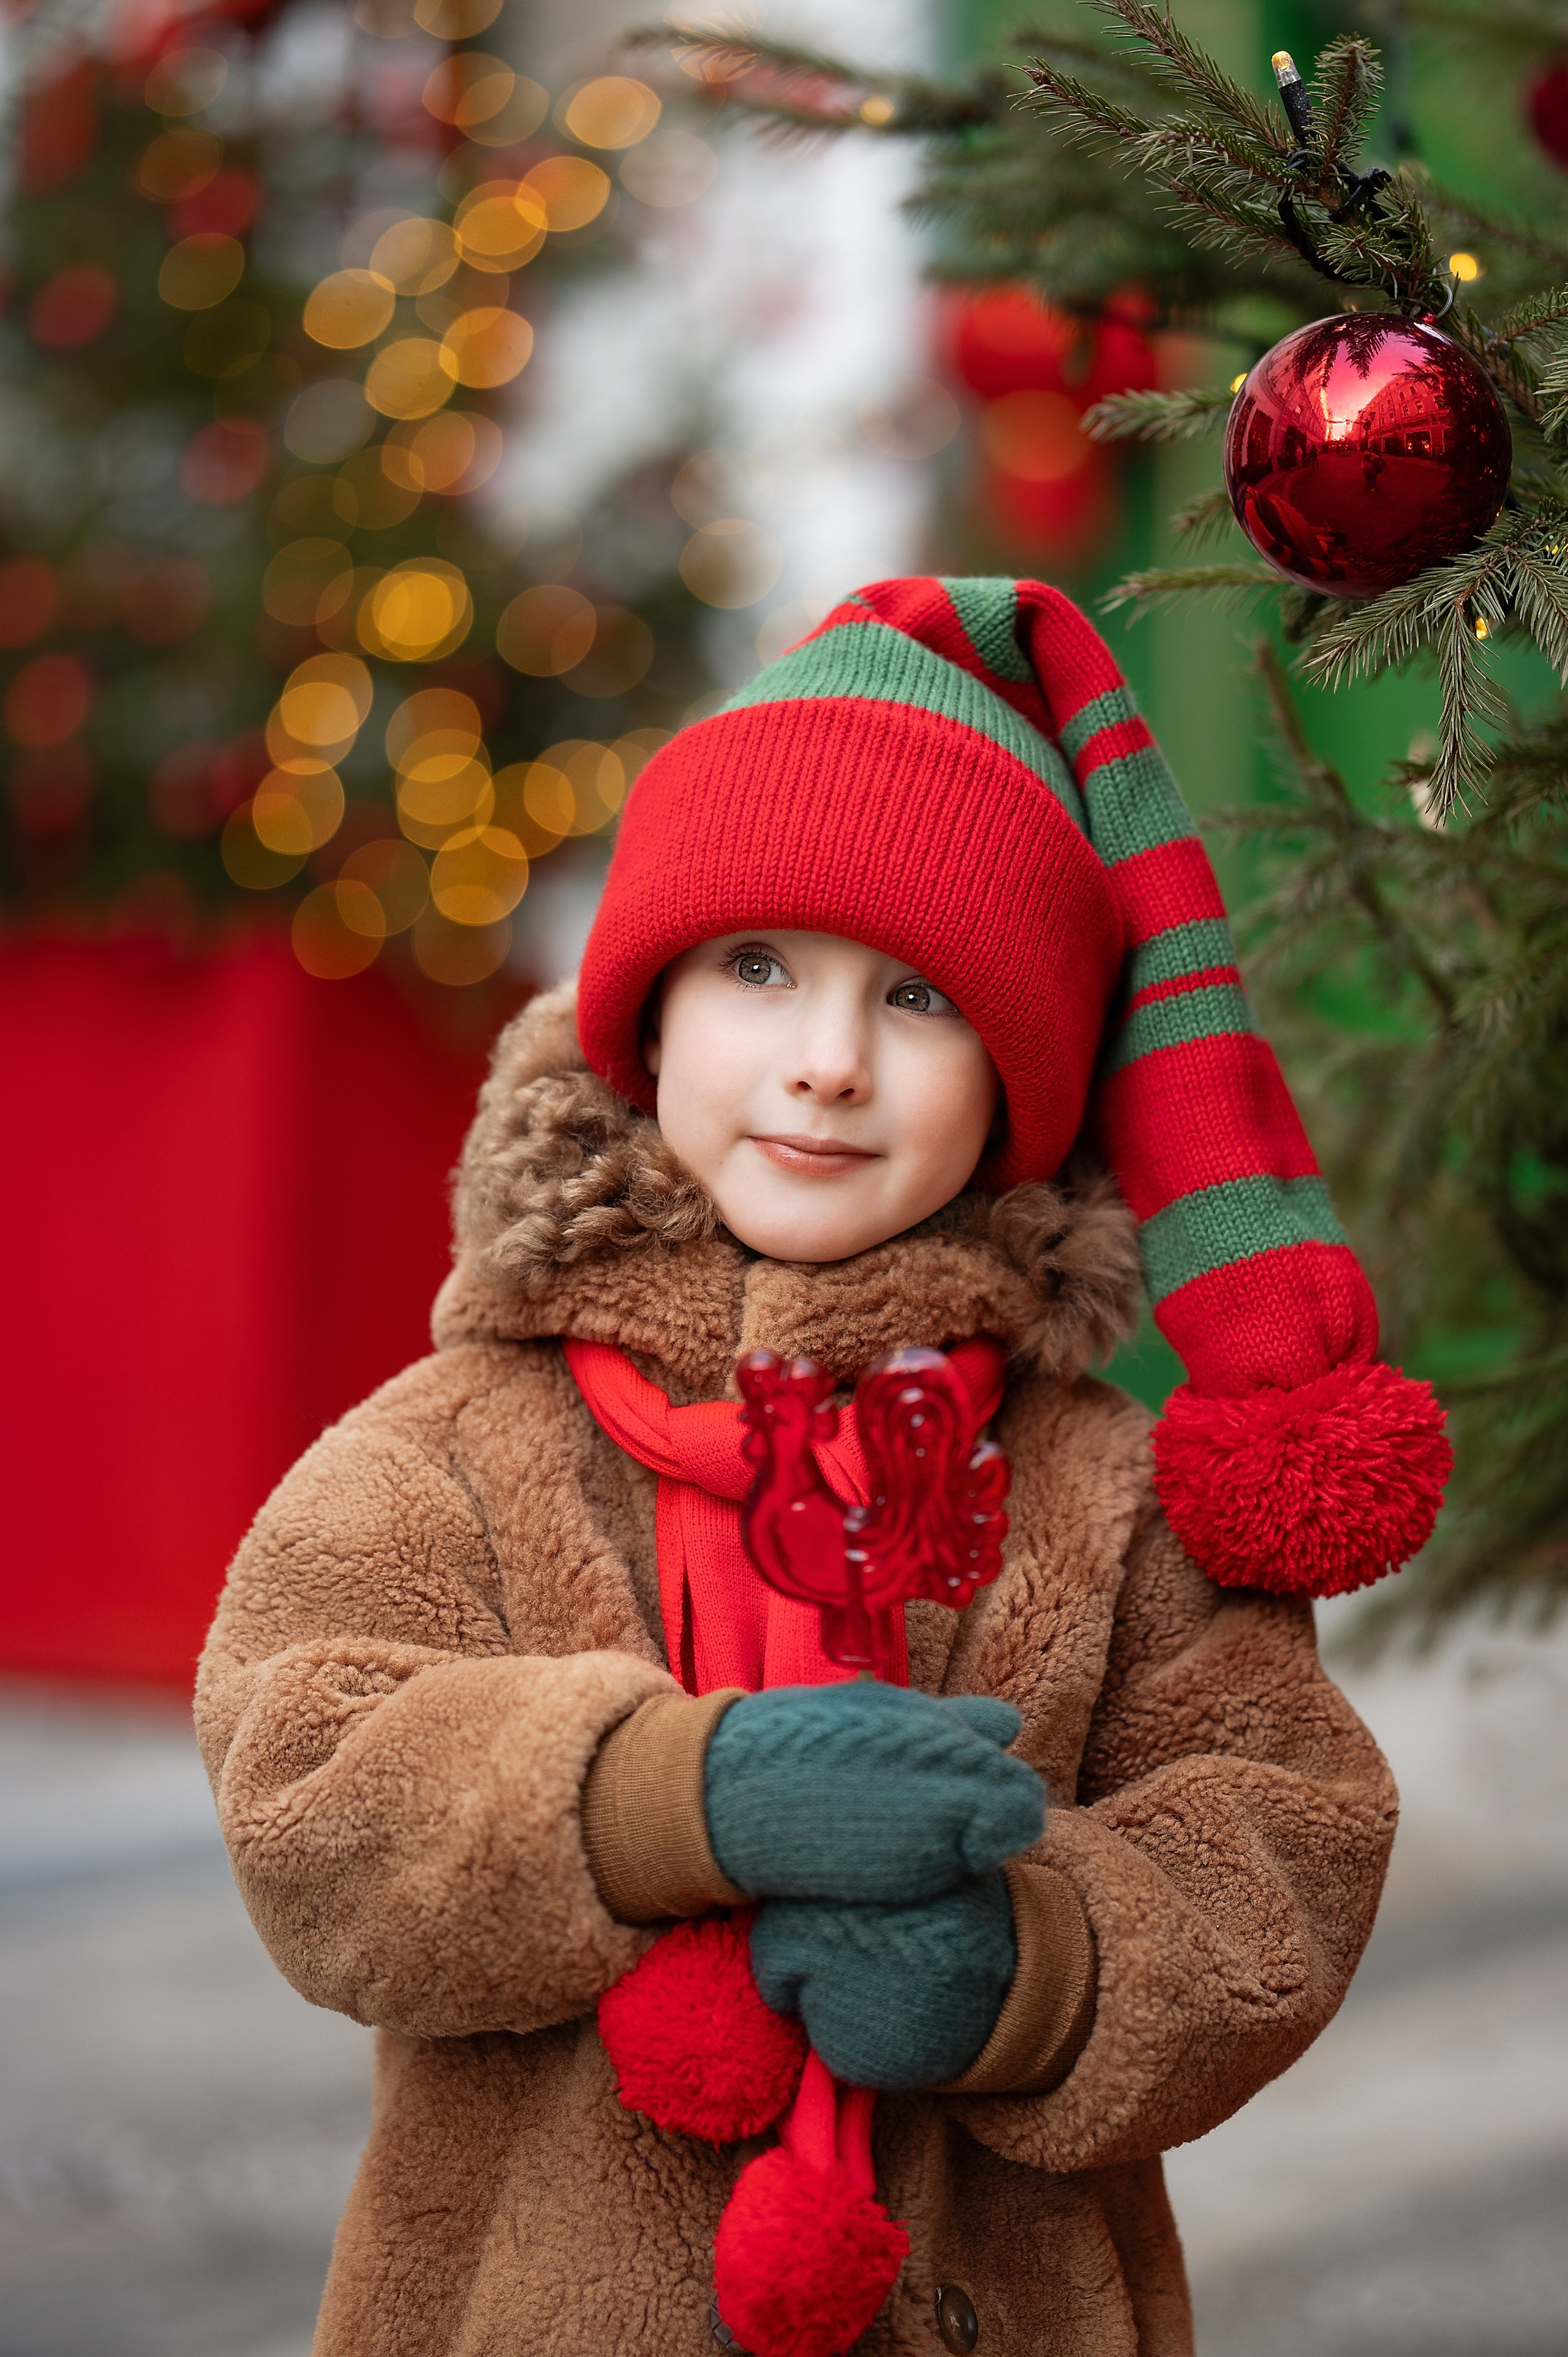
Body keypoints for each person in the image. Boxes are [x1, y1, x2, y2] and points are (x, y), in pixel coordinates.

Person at [195, 576, 1449, 2357]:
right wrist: (662, 1797)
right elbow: (305, 1786)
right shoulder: (463, 1442)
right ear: (651, 1007)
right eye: (761, 968)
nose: (830, 1064)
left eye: (921, 997)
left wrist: (1029, 1969)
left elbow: (1282, 1849)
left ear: (1022, 1078)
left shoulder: (1102, 1493)